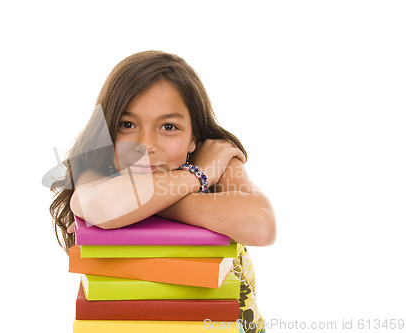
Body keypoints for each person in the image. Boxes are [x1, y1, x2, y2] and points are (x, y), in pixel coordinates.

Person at [49, 50, 276, 333]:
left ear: (195, 137)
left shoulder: (219, 160)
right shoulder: (100, 174)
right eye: (127, 124)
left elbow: (260, 226)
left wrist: (145, 207)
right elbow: (101, 206)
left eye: (169, 126)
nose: (146, 145)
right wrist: (195, 178)